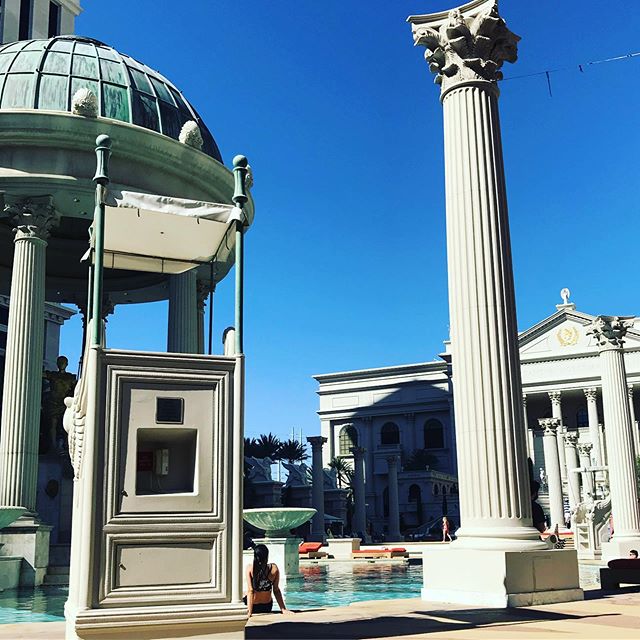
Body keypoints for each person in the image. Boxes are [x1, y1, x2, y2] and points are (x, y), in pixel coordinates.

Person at [244, 544, 292, 617]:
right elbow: (276, 590)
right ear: (267, 556)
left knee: (244, 593)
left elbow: (251, 591)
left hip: (253, 607)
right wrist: (283, 609)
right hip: (267, 606)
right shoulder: (273, 569)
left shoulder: (250, 568)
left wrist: (249, 612)